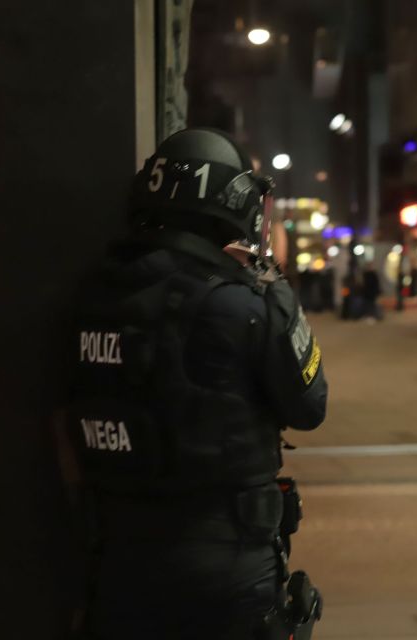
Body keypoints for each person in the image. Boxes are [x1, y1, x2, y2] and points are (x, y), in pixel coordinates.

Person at [65, 128, 328, 639]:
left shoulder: (96, 295)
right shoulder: (240, 304)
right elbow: (309, 405)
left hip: (116, 555)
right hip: (227, 562)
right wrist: (275, 291)